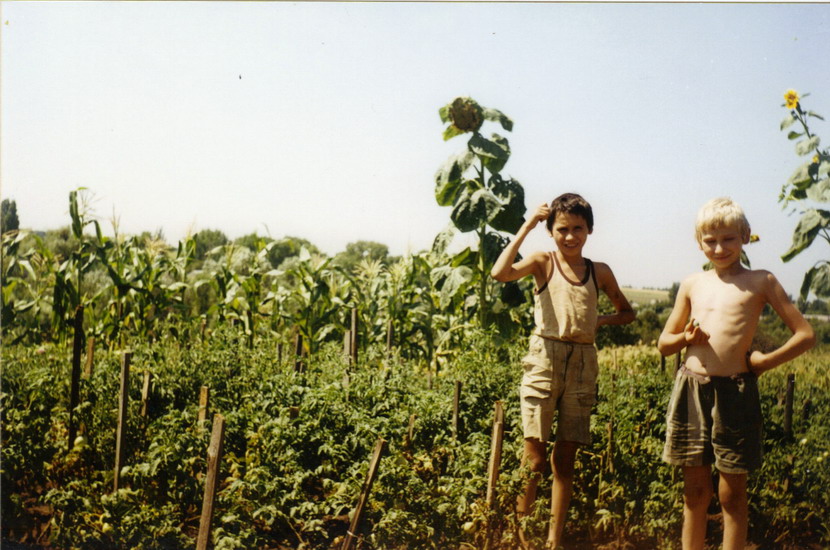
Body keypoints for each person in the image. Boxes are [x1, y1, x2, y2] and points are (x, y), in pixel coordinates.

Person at [657, 197, 815, 550]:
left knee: (732, 493)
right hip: (692, 390)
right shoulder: (692, 283)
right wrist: (686, 338)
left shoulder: (761, 280)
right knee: (695, 491)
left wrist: (762, 362)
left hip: (736, 391)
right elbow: (664, 344)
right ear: (700, 242)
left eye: (728, 238)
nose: (719, 247)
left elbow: (805, 335)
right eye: (710, 240)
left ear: (745, 236)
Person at [491, 192, 635, 549]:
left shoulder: (598, 271)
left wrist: (598, 321)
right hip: (544, 358)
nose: (570, 236)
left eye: (578, 229)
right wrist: (527, 225)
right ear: (550, 230)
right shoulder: (543, 261)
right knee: (534, 457)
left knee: (564, 459)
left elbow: (627, 311)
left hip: (583, 362)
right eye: (562, 229)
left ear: (589, 230)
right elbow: (500, 273)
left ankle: (554, 540)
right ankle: (522, 538)